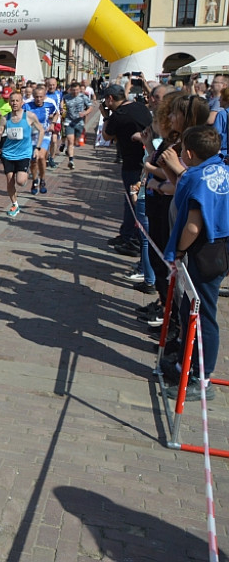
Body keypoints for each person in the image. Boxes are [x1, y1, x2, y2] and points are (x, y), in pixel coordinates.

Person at [161, 125, 229, 401]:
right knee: (191, 308)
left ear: (189, 153)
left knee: (202, 314)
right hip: (218, 248)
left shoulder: (199, 178)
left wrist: (177, 252)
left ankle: (202, 378)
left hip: (205, 251)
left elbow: (192, 227)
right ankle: (184, 366)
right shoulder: (220, 168)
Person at [100, 83, 155, 257]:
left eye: (106, 100)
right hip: (147, 158)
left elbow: (106, 136)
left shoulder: (118, 115)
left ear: (110, 98)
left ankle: (132, 240)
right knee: (131, 200)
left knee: (133, 200)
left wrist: (105, 116)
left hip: (132, 163)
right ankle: (126, 234)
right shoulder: (139, 107)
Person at [0, 90, 44, 217]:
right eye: (12, 101)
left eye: (17, 100)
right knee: (10, 180)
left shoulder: (29, 116)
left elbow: (41, 130)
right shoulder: (5, 118)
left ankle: (26, 174)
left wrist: (37, 148)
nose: (15, 103)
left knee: (21, 181)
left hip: (24, 154)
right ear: (9, 103)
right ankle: (15, 204)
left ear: (22, 102)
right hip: (8, 153)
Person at [26, 86, 59, 195]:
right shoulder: (27, 105)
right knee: (33, 160)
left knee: (40, 156)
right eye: (36, 97)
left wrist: (53, 124)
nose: (38, 99)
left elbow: (57, 113)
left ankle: (43, 180)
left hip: (44, 134)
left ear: (44, 96)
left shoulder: (50, 103)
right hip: (31, 136)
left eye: (41, 97)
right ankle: (35, 180)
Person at [62, 81, 92, 169]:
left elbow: (90, 107)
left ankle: (69, 150)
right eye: (73, 90)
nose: (75, 92)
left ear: (79, 90)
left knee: (76, 141)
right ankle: (71, 160)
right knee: (70, 141)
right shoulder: (66, 97)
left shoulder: (83, 97)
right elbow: (62, 103)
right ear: (70, 90)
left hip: (79, 122)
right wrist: (62, 109)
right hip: (69, 121)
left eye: (77, 90)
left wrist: (85, 113)